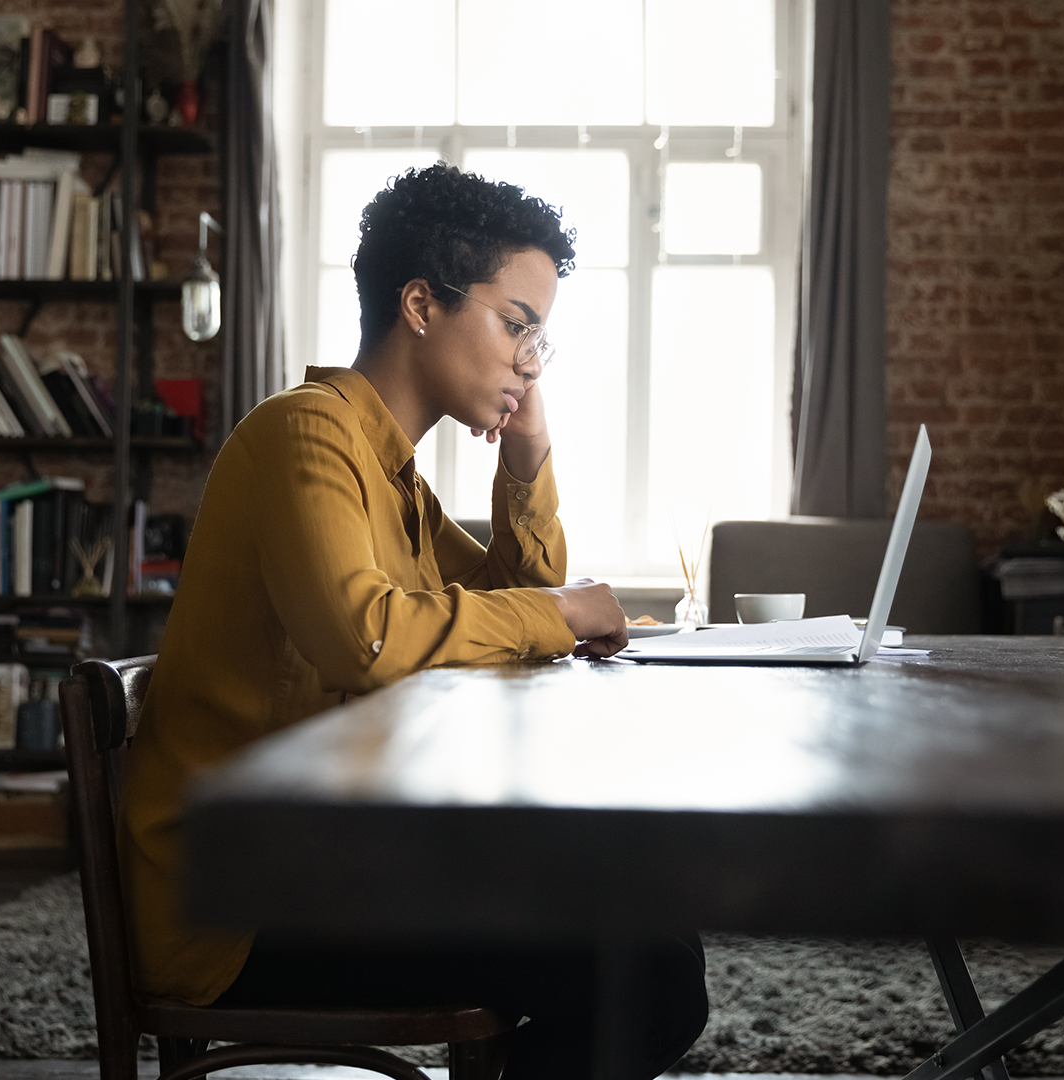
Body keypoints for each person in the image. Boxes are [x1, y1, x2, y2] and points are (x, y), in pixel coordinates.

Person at [118, 163, 707, 1079]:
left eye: (541, 341)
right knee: (647, 968)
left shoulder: (396, 483)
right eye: (517, 326)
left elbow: (516, 597)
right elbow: (370, 635)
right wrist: (553, 611)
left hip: (324, 865)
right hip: (238, 904)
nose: (529, 361)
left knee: (657, 930)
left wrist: (529, 453)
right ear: (422, 304)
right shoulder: (303, 434)